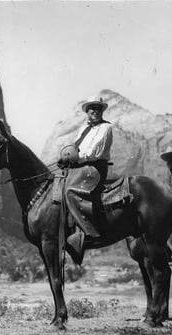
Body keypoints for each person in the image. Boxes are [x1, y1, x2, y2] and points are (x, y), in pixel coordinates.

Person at [58, 95, 113, 263]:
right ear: (87, 111)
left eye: (98, 108)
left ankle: (89, 233)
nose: (95, 111)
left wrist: (74, 159)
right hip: (82, 166)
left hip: (95, 167)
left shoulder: (106, 128)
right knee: (59, 185)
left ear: (102, 111)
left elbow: (93, 152)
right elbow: (77, 147)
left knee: (71, 191)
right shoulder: (84, 128)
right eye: (92, 108)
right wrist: (66, 157)